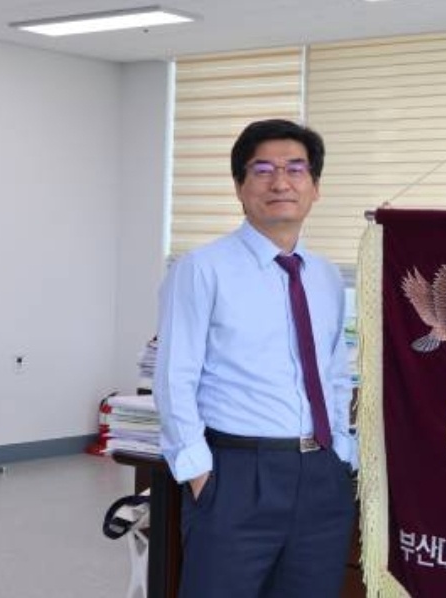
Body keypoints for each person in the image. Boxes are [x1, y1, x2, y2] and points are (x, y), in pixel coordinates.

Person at [154, 119, 357, 597]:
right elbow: (174, 377)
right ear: (240, 187)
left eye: (296, 169)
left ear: (315, 187)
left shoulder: (326, 276)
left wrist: (341, 452)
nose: (280, 182)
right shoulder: (201, 269)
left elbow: (333, 372)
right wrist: (199, 473)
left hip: (321, 475)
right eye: (263, 170)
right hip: (237, 474)